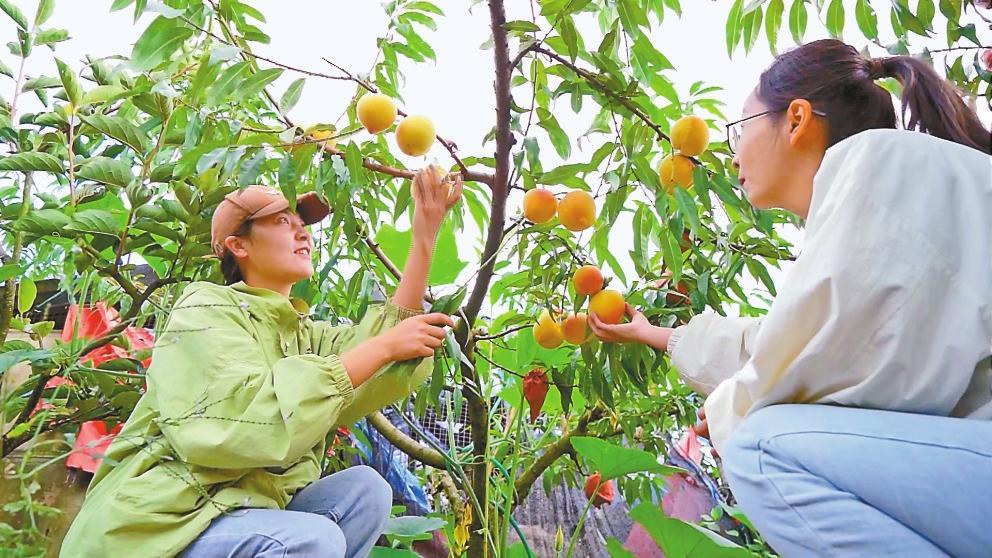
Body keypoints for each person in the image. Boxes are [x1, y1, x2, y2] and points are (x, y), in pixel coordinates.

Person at [588, 39, 992, 557]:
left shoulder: (874, 169)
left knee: (762, 449)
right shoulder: (891, 180)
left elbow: (833, 363)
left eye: (740, 127)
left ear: (796, 119)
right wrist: (659, 336)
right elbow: (793, 344)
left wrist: (732, 410)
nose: (733, 153)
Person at [60, 166, 463, 558]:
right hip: (158, 529)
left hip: (233, 518)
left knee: (365, 491)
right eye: (283, 221)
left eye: (302, 224)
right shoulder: (204, 308)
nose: (302, 232)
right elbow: (240, 420)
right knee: (311, 541)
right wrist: (383, 348)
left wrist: (425, 231)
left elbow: (381, 352)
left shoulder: (302, 335)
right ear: (239, 245)